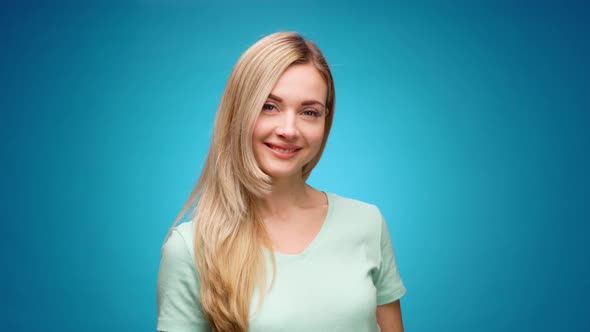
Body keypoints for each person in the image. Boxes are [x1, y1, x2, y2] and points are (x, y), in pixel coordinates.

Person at [157, 31, 406, 332]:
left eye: (309, 112)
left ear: (325, 121)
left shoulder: (367, 223)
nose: (289, 129)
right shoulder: (191, 249)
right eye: (269, 106)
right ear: (238, 111)